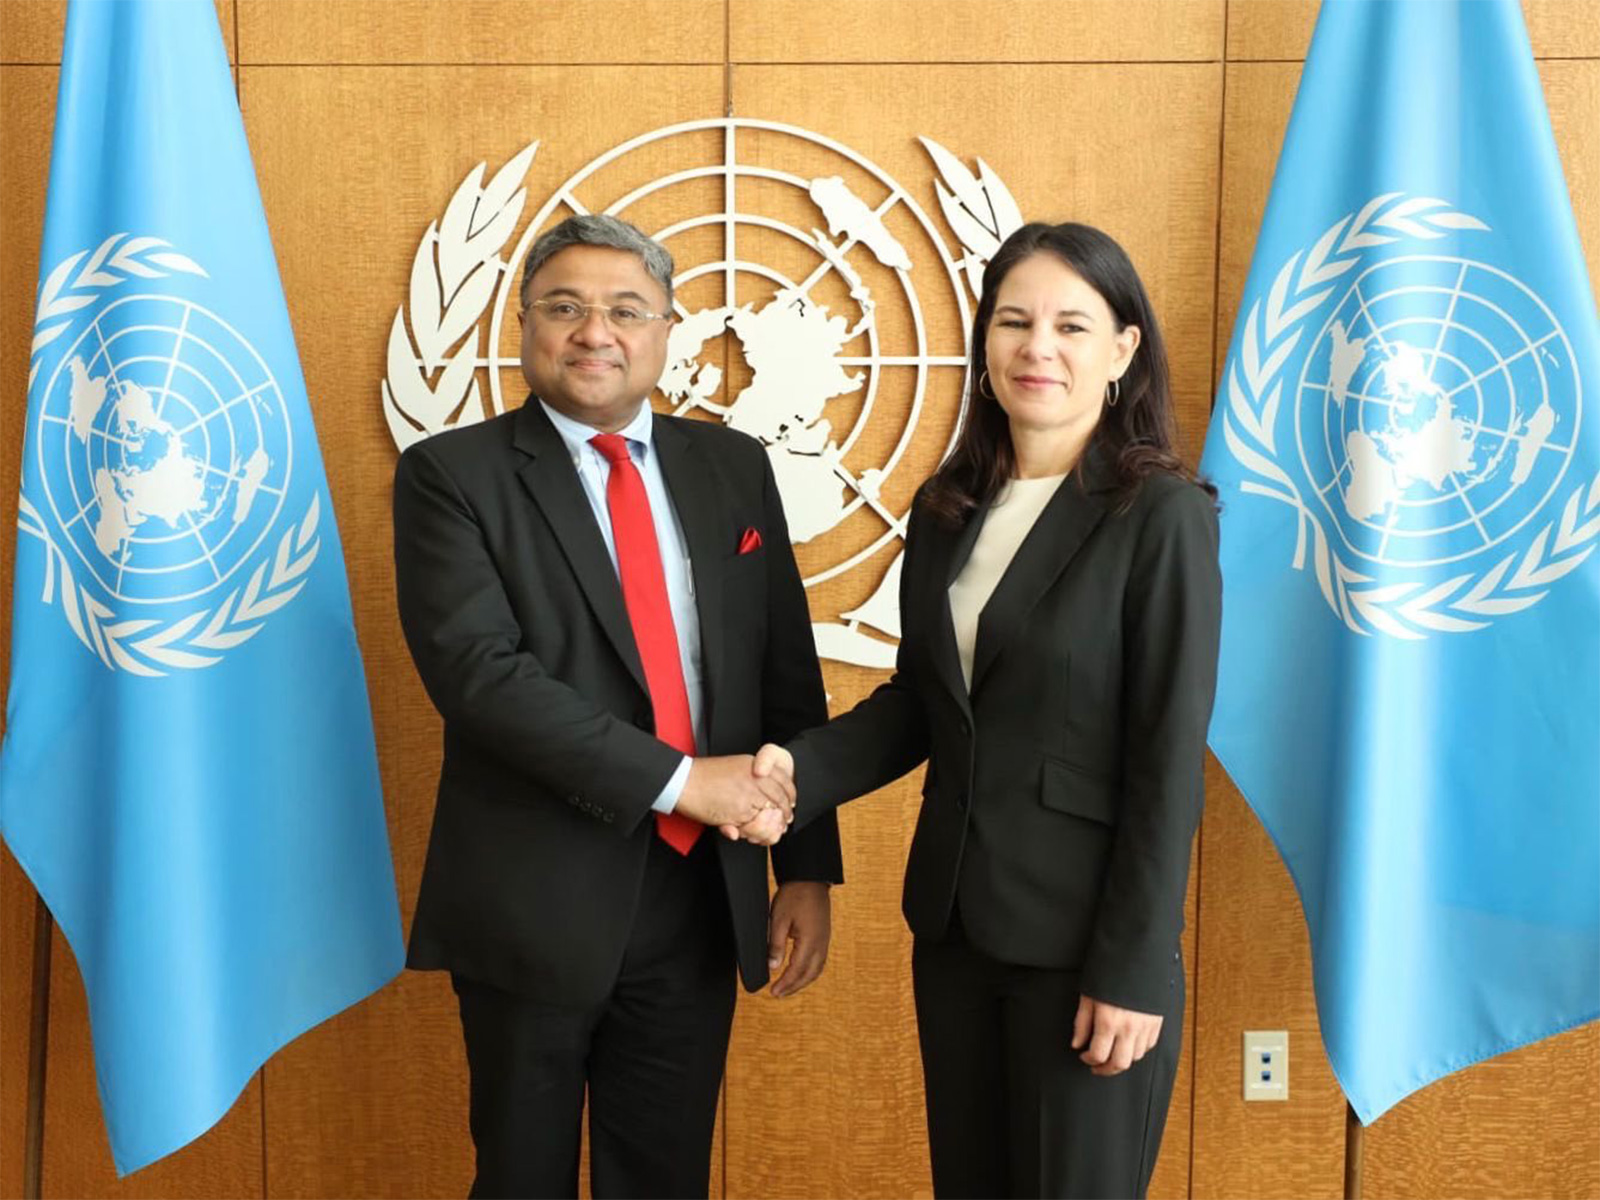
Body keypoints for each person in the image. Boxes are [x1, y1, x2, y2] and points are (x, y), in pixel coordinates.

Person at [753, 222, 1221, 1199]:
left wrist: (1134, 965)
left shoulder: (1159, 516)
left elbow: (1166, 759)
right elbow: (921, 708)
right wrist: (790, 776)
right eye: (1013, 321)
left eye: (1069, 324)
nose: (1035, 347)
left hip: (1085, 951)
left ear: (1124, 349)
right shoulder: (948, 509)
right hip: (957, 934)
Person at [393, 214, 843, 1200]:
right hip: (532, 899)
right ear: (523, 328)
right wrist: (685, 784)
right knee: (521, 1179)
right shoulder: (450, 477)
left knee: (664, 1177)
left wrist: (805, 867)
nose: (595, 330)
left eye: (625, 309)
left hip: (698, 900)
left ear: (666, 331)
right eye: (565, 307)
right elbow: (481, 678)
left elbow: (784, 674)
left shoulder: (732, 467)